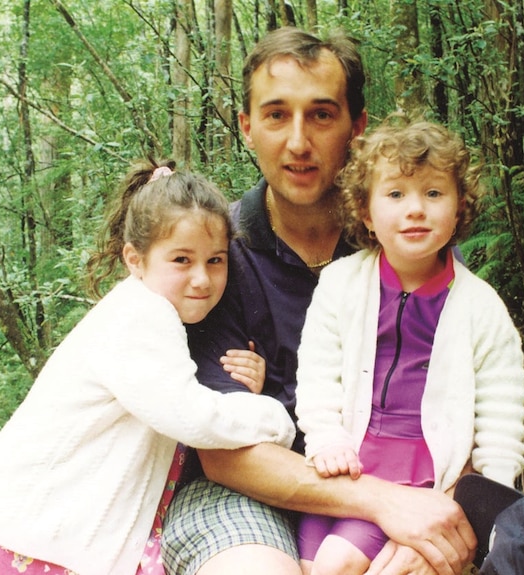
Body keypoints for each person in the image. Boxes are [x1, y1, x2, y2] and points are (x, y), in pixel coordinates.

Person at [162, 28, 476, 575]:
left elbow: (467, 405)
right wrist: (384, 503)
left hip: (396, 478)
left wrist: (441, 508)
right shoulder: (213, 257)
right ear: (247, 128)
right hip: (242, 493)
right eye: (277, 115)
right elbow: (224, 456)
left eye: (322, 115)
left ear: (357, 128)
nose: (299, 142)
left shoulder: (407, 245)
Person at [0, 160, 297, 575]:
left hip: (40, 528)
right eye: (181, 260)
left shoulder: (147, 309)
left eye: (215, 261)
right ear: (135, 259)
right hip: (35, 536)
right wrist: (272, 417)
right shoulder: (140, 318)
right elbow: (189, 416)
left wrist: (244, 386)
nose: (201, 279)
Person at [293, 120, 524, 575]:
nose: (415, 209)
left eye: (434, 194)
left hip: (421, 474)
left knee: (336, 566)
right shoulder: (341, 283)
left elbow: (502, 415)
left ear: (460, 208)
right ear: (365, 212)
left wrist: (485, 505)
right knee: (306, 564)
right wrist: (325, 437)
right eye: (396, 194)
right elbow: (318, 371)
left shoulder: (481, 307)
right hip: (343, 466)